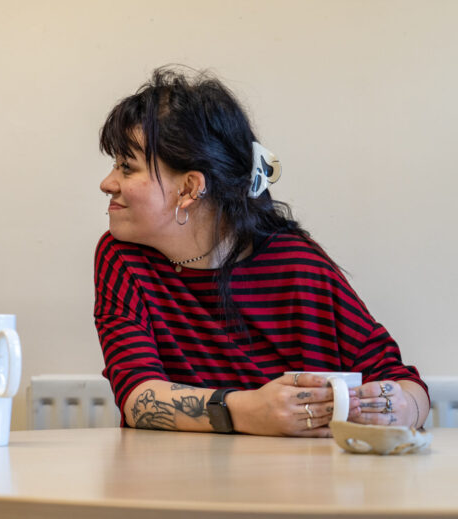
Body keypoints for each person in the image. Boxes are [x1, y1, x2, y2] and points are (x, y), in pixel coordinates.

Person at [94, 67, 428, 437]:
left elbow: (405, 385)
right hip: (173, 484)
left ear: (189, 188)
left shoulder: (298, 265)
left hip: (298, 488)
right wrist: (248, 410)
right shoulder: (122, 257)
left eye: (127, 167)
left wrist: (400, 408)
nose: (107, 184)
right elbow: (137, 397)